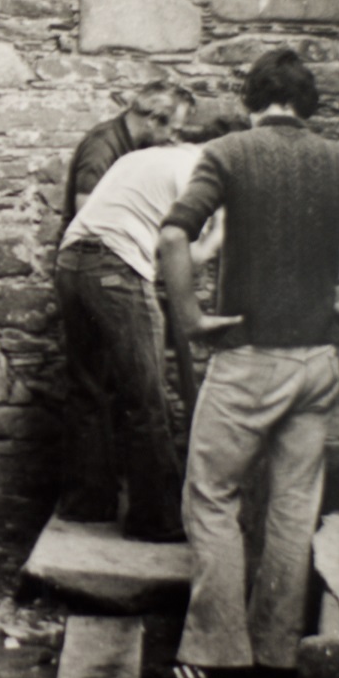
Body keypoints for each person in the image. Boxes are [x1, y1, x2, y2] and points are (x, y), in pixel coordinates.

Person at [154, 49, 339, 678]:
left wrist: (190, 319)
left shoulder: (227, 154)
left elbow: (172, 237)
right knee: (293, 505)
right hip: (317, 362)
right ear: (307, 105)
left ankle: (217, 649)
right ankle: (278, 650)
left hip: (250, 361)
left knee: (212, 496)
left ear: (251, 100)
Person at [53, 121, 230, 538]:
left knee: (87, 389)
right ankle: (154, 520)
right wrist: (220, 235)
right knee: (146, 399)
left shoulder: (139, 157)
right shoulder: (198, 169)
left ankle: (87, 503)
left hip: (70, 265)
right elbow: (182, 257)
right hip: (117, 270)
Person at [59, 81, 195, 228]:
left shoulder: (143, 146)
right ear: (153, 120)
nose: (173, 139)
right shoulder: (101, 146)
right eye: (173, 130)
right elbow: (86, 217)